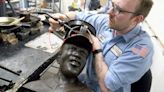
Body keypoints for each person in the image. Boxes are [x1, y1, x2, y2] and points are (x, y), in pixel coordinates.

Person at [48, 0, 154, 92]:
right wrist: (63, 17)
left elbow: (106, 87)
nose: (110, 12)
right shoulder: (107, 22)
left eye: (119, 10)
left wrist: (97, 50)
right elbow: (78, 16)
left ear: (137, 19)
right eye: (113, 5)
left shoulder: (141, 48)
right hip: (85, 84)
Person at [23, 27, 93, 92]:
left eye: (83, 52)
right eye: (72, 49)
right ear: (59, 57)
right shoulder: (32, 87)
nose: (77, 54)